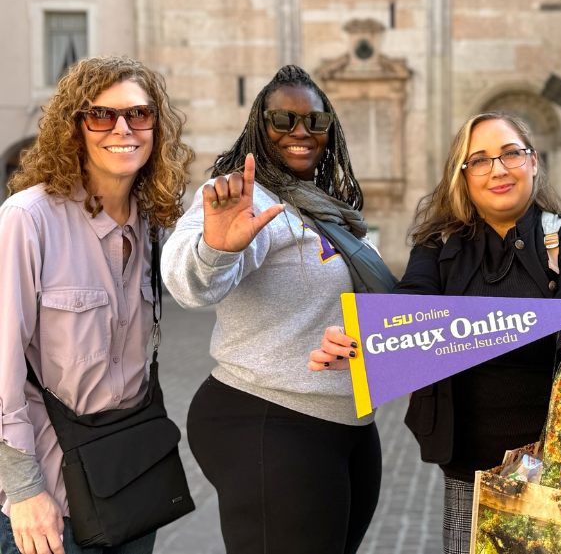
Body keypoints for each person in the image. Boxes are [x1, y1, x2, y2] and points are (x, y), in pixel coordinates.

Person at [312, 112, 561, 554]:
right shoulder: (437, 244)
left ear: (533, 162)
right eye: (479, 160)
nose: (498, 169)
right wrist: (364, 341)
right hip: (469, 475)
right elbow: (410, 307)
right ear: (463, 176)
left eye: (511, 154)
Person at [161, 65, 382, 554]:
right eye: (283, 120)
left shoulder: (323, 209)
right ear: (259, 128)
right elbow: (187, 283)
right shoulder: (247, 198)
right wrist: (216, 248)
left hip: (347, 424)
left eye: (315, 121)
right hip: (270, 419)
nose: (301, 132)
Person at [0, 56, 194, 554]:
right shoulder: (28, 219)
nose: (123, 129)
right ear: (75, 127)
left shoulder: (153, 223)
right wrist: (23, 490)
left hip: (133, 485)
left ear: (156, 127)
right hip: (49, 502)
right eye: (101, 115)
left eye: (138, 114)